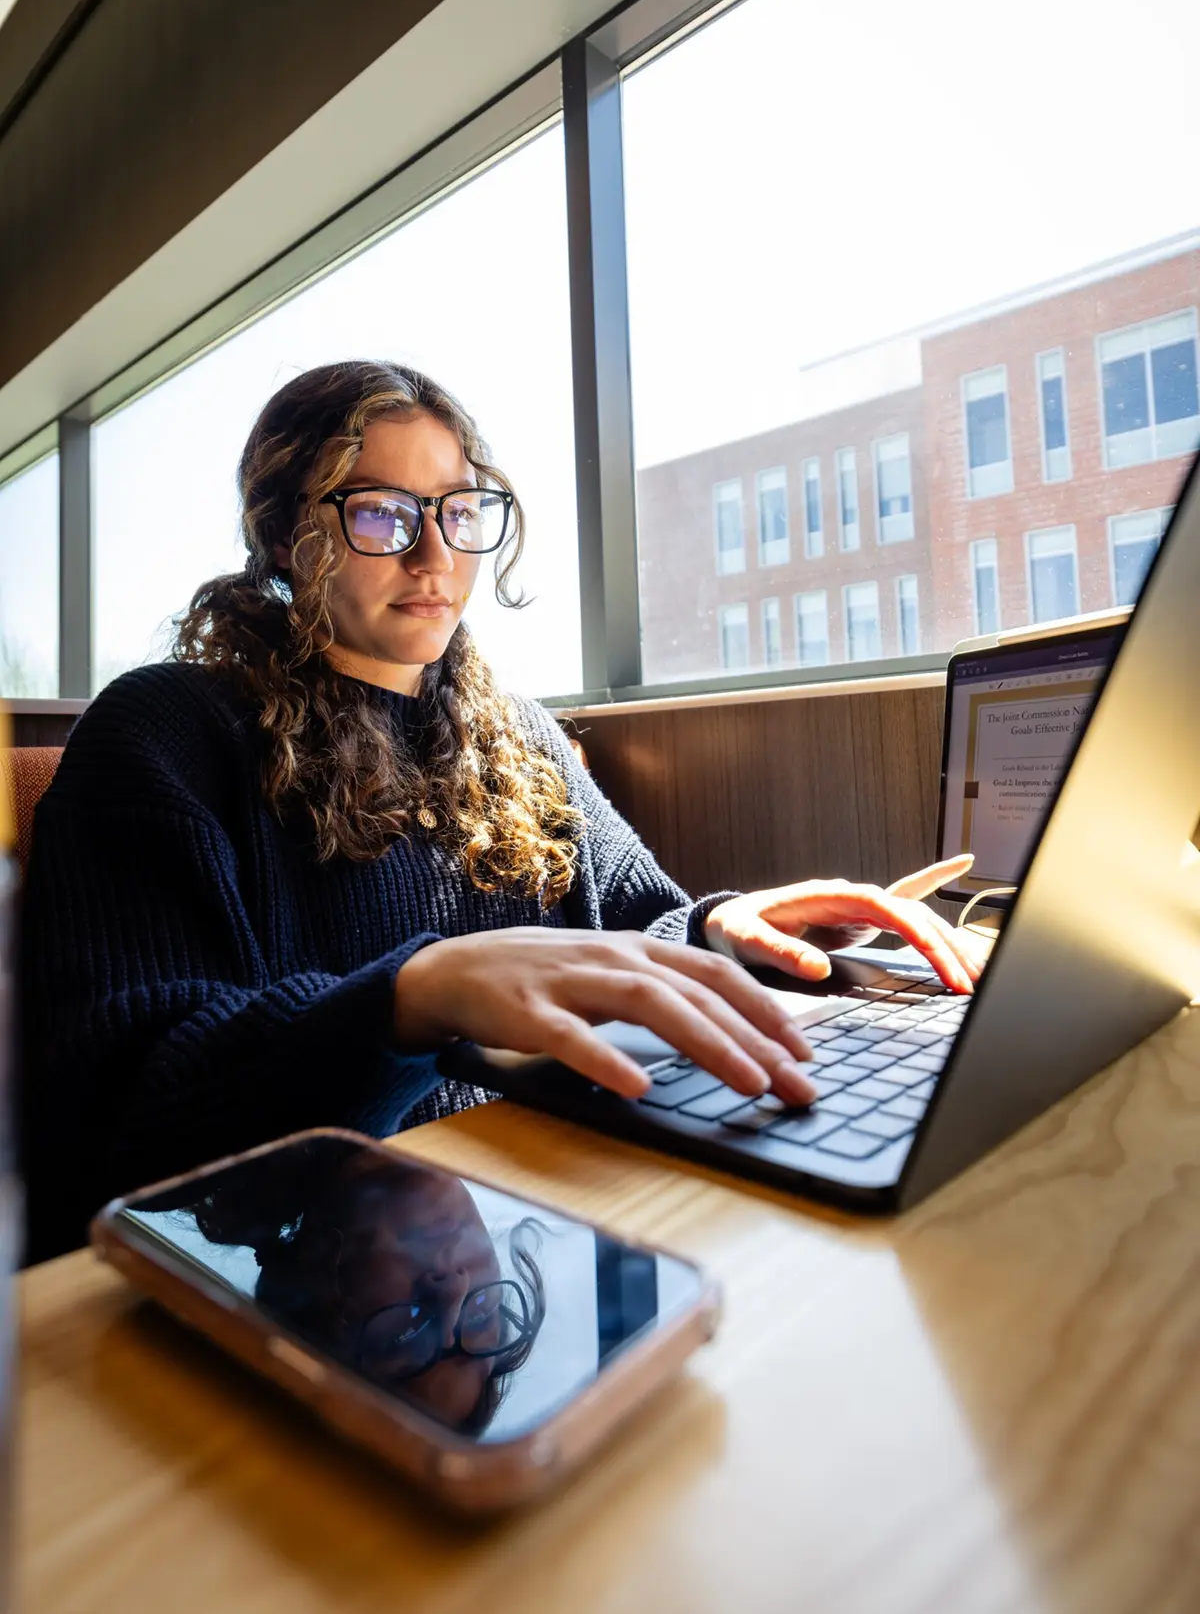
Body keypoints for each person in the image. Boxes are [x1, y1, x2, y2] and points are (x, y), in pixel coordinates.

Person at [20, 360, 980, 1261]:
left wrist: (729, 930)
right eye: (384, 515)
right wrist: (408, 1001)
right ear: (283, 536)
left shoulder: (517, 735)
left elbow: (639, 930)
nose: (435, 553)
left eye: (459, 510)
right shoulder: (167, 732)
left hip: (549, 1210)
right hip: (308, 1255)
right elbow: (119, 1102)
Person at [141, 1135, 546, 1435]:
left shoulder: (174, 1148)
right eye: (480, 1315)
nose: (453, 1288)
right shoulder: (477, 1110)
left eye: (405, 1337)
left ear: (310, 1291)